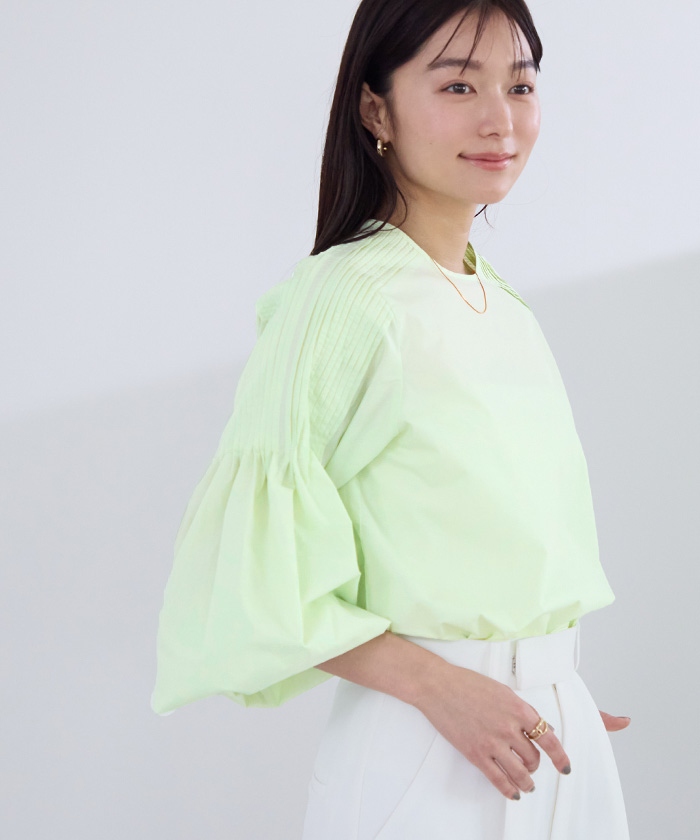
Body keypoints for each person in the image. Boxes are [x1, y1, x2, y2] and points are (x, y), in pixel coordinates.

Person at [150, 1, 632, 837]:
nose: (500, 119)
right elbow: (251, 572)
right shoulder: (345, 297)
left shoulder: (499, 301)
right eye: (458, 86)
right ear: (376, 110)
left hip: (551, 738)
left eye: (520, 86)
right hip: (429, 747)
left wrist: (553, 687)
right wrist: (446, 687)